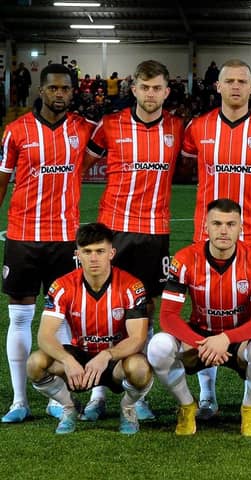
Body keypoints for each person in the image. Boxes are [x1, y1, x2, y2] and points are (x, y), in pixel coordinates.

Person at [181, 59, 251, 420]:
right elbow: (184, 165)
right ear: (218, 86)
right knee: (203, 314)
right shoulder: (197, 128)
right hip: (206, 236)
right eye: (228, 80)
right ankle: (208, 396)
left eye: (242, 81)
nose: (235, 86)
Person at [83, 59, 184, 421]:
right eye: (145, 87)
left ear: (166, 91)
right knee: (105, 310)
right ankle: (96, 393)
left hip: (155, 232)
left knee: (148, 310)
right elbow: (81, 162)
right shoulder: (109, 125)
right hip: (114, 229)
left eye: (158, 88)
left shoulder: (177, 127)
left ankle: (138, 393)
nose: (151, 94)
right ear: (134, 89)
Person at [0, 64, 95, 423]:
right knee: (20, 317)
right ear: (41, 91)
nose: (60, 94)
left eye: (66, 89)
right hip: (24, 237)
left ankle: (59, 397)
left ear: (73, 92)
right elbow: (1, 181)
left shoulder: (82, 129)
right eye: (53, 88)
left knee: (63, 321)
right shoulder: (16, 131)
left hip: (65, 240)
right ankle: (19, 401)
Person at [147, 199, 251, 436]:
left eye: (231, 224)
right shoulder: (185, 259)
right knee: (158, 346)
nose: (224, 230)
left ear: (241, 227)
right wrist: (202, 342)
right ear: (205, 226)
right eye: (217, 223)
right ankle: (187, 406)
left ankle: (250, 407)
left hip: (240, 339)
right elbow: (167, 316)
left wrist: (226, 338)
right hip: (200, 336)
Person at [25, 223, 152, 435]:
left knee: (140, 369)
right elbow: (45, 336)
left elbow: (138, 338)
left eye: (100, 251)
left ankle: (127, 407)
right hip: (80, 359)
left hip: (116, 361)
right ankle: (69, 406)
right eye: (87, 252)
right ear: (78, 254)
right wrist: (67, 360)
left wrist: (107, 354)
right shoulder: (62, 286)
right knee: (35, 363)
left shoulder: (132, 286)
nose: (94, 258)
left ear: (111, 253)